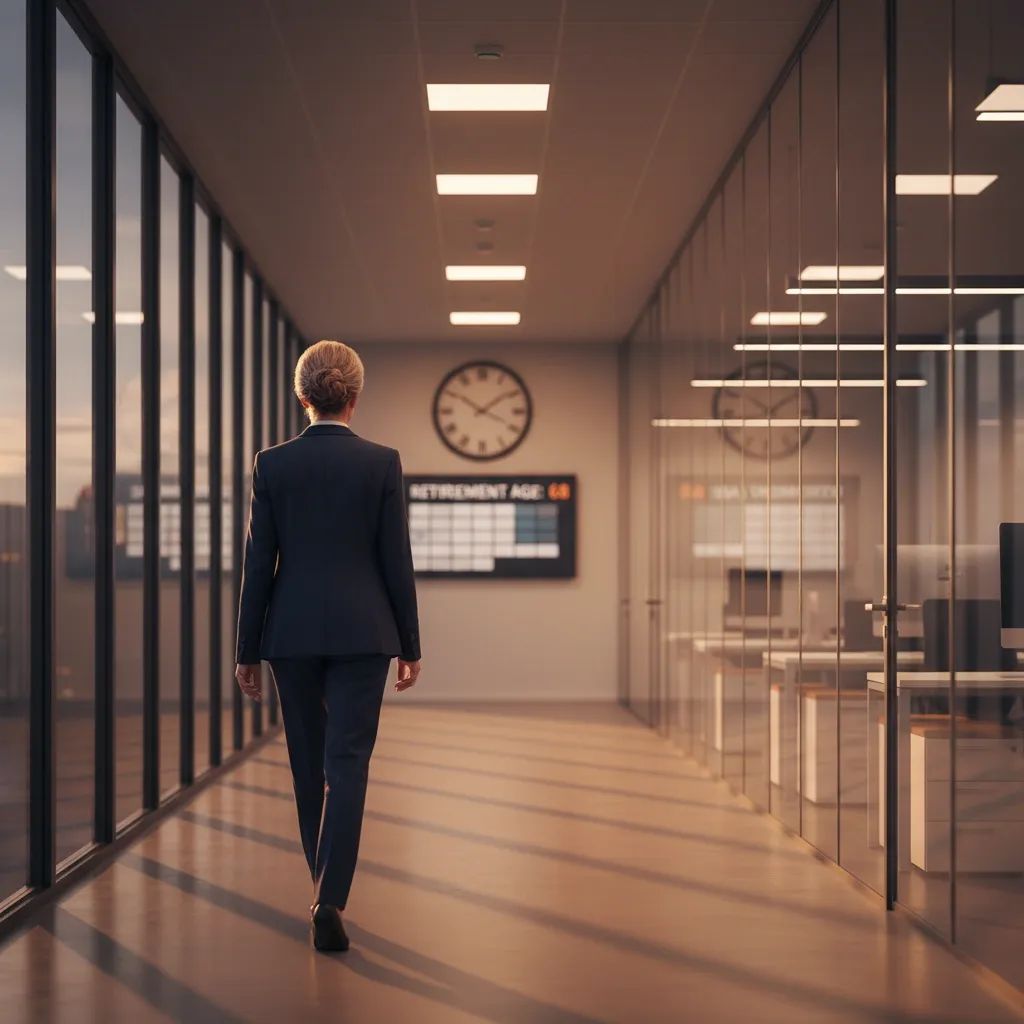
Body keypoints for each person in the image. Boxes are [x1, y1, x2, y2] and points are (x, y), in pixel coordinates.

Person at [234, 339, 421, 953]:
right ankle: (329, 897)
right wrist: (410, 643)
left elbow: (259, 563)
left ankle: (321, 888)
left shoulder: (272, 464)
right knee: (348, 763)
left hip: (291, 634)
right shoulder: (381, 462)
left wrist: (246, 648)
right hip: (365, 634)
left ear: (302, 396)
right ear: (355, 397)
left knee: (307, 765)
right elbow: (395, 559)